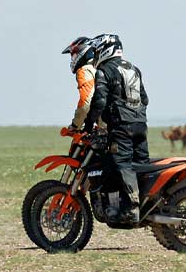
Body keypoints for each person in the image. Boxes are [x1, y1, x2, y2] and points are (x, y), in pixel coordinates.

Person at [84, 33, 149, 224]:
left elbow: (100, 100)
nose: (96, 55)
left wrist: (89, 123)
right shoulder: (134, 69)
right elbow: (144, 99)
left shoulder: (104, 70)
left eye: (97, 50)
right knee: (141, 164)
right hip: (140, 125)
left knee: (122, 163)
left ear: (105, 50)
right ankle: (147, 205)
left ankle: (132, 210)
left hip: (121, 126)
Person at [61, 36, 100, 131]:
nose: (72, 59)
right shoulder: (100, 69)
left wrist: (76, 124)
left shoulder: (85, 70)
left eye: (73, 55)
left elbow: (86, 101)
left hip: (106, 127)